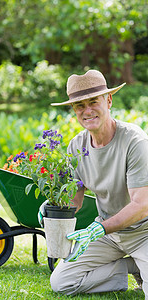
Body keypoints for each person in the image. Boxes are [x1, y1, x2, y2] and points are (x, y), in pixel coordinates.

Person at [39, 70, 148, 298]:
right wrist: (54, 208)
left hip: (143, 233)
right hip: (108, 235)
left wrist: (101, 227)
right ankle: (131, 267)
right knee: (62, 282)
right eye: (79, 105)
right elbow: (75, 198)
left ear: (108, 100)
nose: (87, 111)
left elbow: (142, 205)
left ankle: (140, 263)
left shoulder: (134, 141)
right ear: (74, 110)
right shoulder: (77, 147)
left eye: (93, 102)